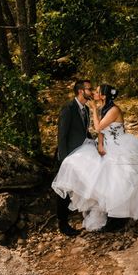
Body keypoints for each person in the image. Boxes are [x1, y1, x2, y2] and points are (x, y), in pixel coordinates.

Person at [52, 84, 138, 231]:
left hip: (119, 146)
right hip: (94, 147)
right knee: (93, 176)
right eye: (91, 90)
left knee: (116, 180)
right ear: (81, 91)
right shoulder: (71, 109)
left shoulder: (112, 109)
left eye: (97, 91)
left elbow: (98, 127)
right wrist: (99, 144)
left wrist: (94, 109)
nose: (94, 92)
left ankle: (117, 218)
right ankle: (64, 221)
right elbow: (67, 135)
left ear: (104, 96)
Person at [53, 79, 94, 236]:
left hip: (81, 153)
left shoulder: (86, 109)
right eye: (89, 89)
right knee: (63, 189)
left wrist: (93, 141)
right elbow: (62, 136)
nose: (91, 92)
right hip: (68, 155)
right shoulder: (68, 108)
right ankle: (63, 225)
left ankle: (86, 215)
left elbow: (83, 131)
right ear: (80, 91)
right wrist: (63, 159)